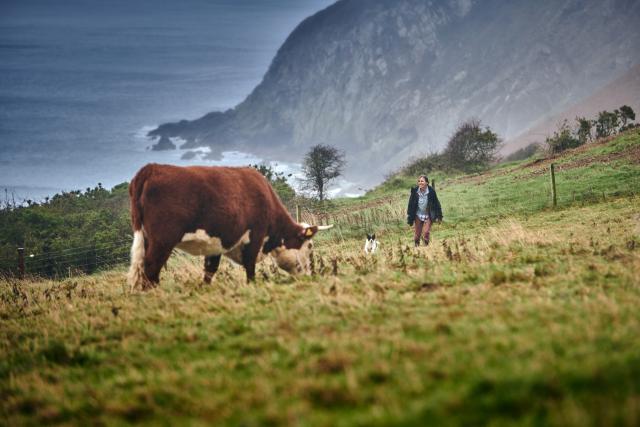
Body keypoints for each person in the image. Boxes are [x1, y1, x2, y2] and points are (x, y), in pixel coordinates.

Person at [406, 175, 443, 247]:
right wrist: (410, 217)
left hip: (428, 215)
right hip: (418, 215)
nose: (420, 183)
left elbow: (436, 204)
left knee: (426, 232)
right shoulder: (415, 192)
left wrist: (439, 216)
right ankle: (417, 247)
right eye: (419, 181)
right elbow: (410, 205)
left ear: (427, 183)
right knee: (417, 235)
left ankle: (426, 247)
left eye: (422, 181)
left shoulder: (431, 192)